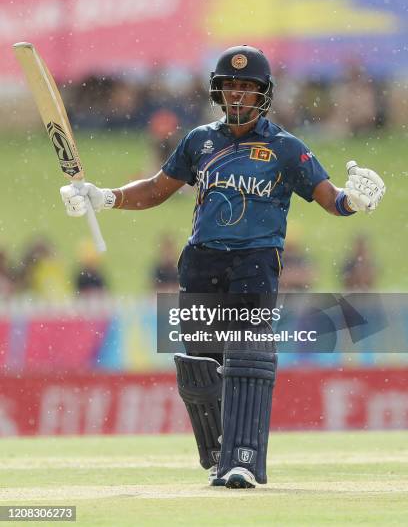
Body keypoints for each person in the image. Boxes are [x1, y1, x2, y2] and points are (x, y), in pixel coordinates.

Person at [60, 45, 386, 489]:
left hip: (255, 261)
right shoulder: (199, 141)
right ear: (218, 91)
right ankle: (218, 453)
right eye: (230, 87)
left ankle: (244, 460)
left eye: (247, 88)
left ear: (262, 95)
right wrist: (106, 196)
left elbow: (331, 198)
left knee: (247, 353)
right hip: (201, 260)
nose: (237, 95)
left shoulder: (286, 148)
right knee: (201, 365)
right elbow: (158, 189)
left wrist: (355, 201)